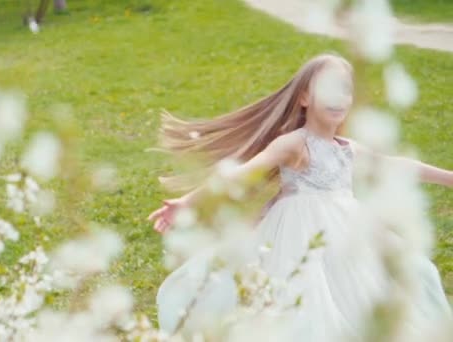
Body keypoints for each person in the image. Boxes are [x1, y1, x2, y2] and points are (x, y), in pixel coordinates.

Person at [146, 53, 453, 340]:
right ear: (304, 97)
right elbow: (243, 172)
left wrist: (449, 178)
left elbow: (394, 165)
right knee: (307, 305)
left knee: (397, 278)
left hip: (347, 234)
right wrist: (189, 201)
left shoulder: (347, 149)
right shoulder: (294, 144)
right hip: (299, 237)